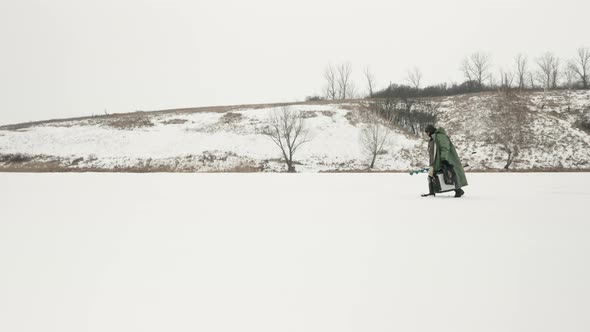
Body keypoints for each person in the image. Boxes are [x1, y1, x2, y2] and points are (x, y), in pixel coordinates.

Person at [421, 125, 468, 197]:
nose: (427, 134)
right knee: (431, 175)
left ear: (431, 131)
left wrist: (444, 159)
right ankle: (432, 192)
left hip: (441, 160)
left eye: (427, 132)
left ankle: (458, 190)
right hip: (434, 162)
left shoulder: (440, 136)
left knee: (448, 176)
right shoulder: (433, 138)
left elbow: (445, 148)